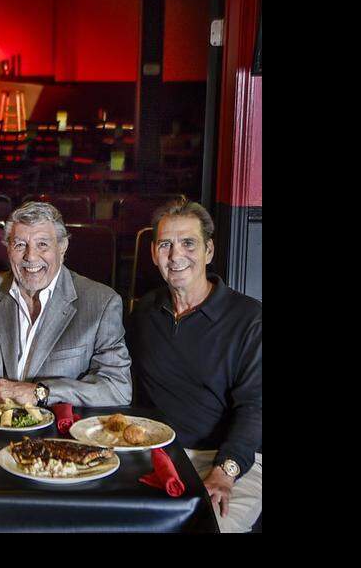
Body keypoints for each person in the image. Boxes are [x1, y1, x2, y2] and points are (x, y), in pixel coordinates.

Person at [126, 197, 262, 533]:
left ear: (209, 251)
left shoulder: (250, 319)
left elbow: (255, 408)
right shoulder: (144, 312)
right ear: (153, 252)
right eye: (166, 244)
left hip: (232, 459)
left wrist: (225, 470)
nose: (176, 256)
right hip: (160, 455)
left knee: (207, 529)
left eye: (188, 243)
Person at [0, 201, 130, 407]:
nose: (31, 256)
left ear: (62, 248)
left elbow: (118, 388)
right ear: (8, 249)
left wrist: (41, 393)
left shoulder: (101, 303)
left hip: (61, 434)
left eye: (42, 244)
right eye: (20, 245)